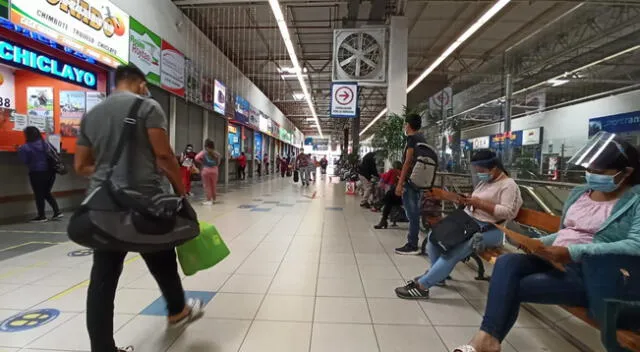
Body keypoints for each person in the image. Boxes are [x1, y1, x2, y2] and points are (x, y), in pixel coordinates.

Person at [453, 134, 640, 352]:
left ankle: (485, 341)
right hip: (555, 257)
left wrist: (572, 251)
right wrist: (537, 242)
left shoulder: (635, 201)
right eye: (589, 170)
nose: (591, 176)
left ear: (626, 172)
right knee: (506, 263)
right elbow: (568, 231)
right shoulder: (581, 192)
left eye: (599, 172)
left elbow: (635, 245)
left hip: (593, 272)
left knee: (513, 286)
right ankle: (487, 341)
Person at [74, 65, 203, 352]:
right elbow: (164, 154)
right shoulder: (148, 107)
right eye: (145, 86)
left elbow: (81, 165)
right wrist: (181, 191)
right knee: (162, 259)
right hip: (145, 203)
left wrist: (109, 171)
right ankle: (178, 311)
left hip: (105, 207)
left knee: (103, 279)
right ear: (139, 83)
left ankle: (102, 348)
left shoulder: (92, 114)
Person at [395, 149, 522, 297]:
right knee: (434, 237)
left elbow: (508, 213)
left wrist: (479, 203)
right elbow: (475, 201)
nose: (478, 173)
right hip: (469, 221)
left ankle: (423, 286)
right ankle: (439, 276)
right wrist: (460, 198)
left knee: (454, 252)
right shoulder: (486, 182)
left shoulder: (508, 185)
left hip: (490, 229)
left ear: (493, 168)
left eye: (480, 170)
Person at [395, 113, 430, 254]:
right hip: (420, 180)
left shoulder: (412, 139)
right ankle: (413, 242)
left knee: (412, 212)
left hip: (411, 181)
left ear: (408, 125)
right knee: (414, 211)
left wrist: (400, 183)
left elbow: (407, 162)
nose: (404, 126)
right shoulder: (423, 139)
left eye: (405, 124)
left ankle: (412, 244)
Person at [18, 126, 62, 222]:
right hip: (51, 172)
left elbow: (25, 160)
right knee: (46, 192)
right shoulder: (46, 144)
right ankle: (57, 212)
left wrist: (19, 149)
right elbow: (56, 152)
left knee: (39, 194)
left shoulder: (25, 147)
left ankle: (41, 216)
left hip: (37, 173)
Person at [374, 161, 403, 228]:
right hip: (398, 193)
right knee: (389, 198)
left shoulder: (392, 171)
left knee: (389, 197)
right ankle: (383, 218)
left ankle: (380, 204)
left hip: (397, 192)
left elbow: (386, 179)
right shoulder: (401, 172)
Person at [195, 139, 221, 205]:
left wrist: (201, 162)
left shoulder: (203, 152)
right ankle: (214, 199)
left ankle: (209, 200)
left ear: (206, 146)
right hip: (215, 170)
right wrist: (216, 165)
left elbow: (196, 158)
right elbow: (218, 161)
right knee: (214, 185)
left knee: (207, 186)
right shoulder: (216, 153)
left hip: (206, 170)